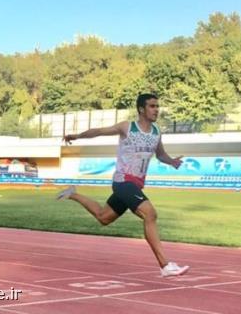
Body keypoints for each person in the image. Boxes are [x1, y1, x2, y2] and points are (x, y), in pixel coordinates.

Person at [58, 93, 190, 277]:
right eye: (152, 106)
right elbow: (99, 131)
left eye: (157, 106)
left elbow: (160, 154)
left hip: (136, 184)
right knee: (150, 214)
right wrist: (76, 136)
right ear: (141, 109)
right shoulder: (127, 127)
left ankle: (72, 194)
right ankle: (165, 265)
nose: (156, 110)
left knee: (103, 217)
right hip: (123, 181)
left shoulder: (156, 132)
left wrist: (172, 162)